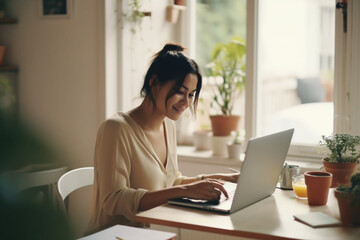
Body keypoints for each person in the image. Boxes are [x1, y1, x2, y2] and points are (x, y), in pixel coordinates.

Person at [88, 43, 239, 233]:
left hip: (152, 234)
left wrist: (224, 178)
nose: (186, 102)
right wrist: (186, 191)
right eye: (180, 92)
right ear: (154, 82)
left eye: (191, 94)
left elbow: (171, 183)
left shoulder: (168, 126)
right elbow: (114, 200)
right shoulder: (116, 129)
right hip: (115, 235)